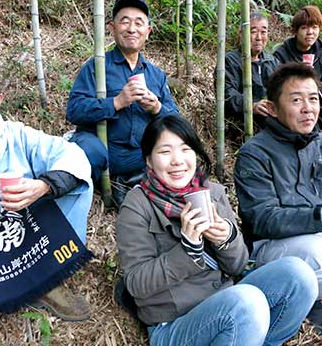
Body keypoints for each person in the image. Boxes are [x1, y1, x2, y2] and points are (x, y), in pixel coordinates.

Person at [116, 114, 317, 345]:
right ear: (149, 160)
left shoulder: (212, 192)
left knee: (299, 274)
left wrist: (226, 239)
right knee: (247, 302)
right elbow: (136, 285)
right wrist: (188, 250)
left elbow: (237, 265)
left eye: (185, 149)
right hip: (175, 323)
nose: (178, 160)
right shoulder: (137, 204)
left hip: (224, 300)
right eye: (165, 152)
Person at [0, 63, 94, 345]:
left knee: (72, 184)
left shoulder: (16, 134)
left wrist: (42, 186)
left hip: (20, 228)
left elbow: (71, 155)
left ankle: (44, 280)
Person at [234, 62, 322, 330]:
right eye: (296, 100)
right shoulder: (254, 154)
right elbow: (263, 219)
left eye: (314, 98)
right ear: (271, 109)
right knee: (317, 252)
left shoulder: (318, 143)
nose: (308, 108)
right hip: (270, 246)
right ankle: (306, 317)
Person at [66, 0, 178, 204]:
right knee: (89, 150)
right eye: (124, 21)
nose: (131, 28)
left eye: (139, 23)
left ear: (148, 31)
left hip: (141, 155)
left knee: (179, 152)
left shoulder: (156, 75)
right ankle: (108, 185)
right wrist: (116, 102)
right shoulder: (97, 66)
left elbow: (175, 120)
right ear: (112, 27)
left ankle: (133, 183)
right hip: (106, 151)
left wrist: (156, 108)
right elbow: (74, 110)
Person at [224, 12, 280, 141]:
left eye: (263, 32)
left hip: (273, 120)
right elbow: (227, 94)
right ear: (241, 34)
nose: (259, 37)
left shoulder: (272, 61)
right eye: (253, 32)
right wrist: (252, 105)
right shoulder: (230, 61)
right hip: (243, 125)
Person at [274, 5, 322, 79]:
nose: (310, 32)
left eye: (314, 27)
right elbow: (276, 85)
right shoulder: (281, 55)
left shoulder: (320, 52)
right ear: (295, 31)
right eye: (304, 28)